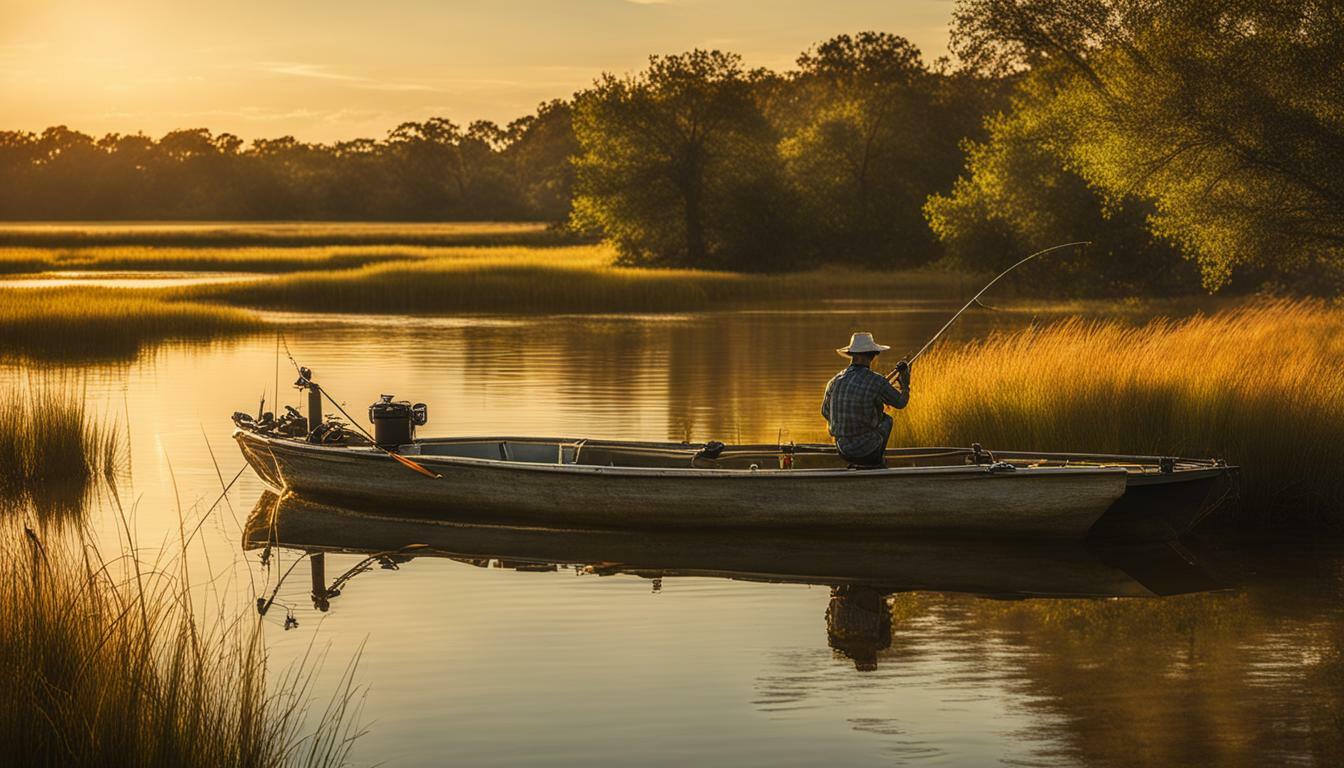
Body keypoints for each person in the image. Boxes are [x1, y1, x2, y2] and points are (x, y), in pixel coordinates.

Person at [821, 332, 910, 467]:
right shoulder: (876, 381)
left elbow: (825, 412)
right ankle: (876, 462)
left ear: (852, 355)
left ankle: (859, 462)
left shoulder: (833, 381)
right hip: (866, 452)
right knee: (887, 420)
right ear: (872, 355)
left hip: (842, 450)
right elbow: (901, 402)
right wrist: (905, 384)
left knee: (877, 418)